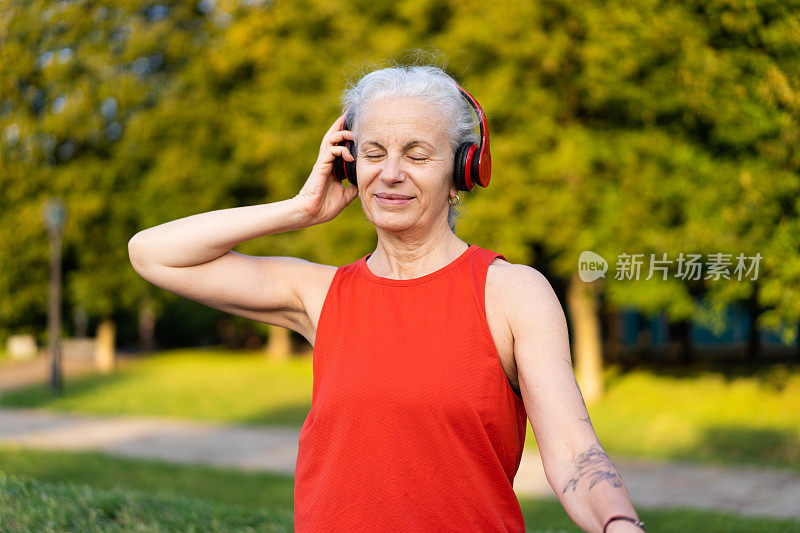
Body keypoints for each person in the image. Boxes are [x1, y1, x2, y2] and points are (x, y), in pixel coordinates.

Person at [128, 64, 645, 533]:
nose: (390, 172)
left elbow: (575, 454)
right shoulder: (320, 294)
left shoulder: (511, 292)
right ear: (349, 166)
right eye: (373, 154)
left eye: (417, 154)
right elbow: (153, 254)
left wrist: (620, 525)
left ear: (462, 172)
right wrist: (300, 209)